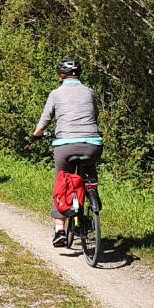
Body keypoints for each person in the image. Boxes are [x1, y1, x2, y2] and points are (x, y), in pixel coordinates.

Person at [32, 58, 103, 247]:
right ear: (79, 75)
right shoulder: (90, 92)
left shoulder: (56, 93)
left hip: (66, 145)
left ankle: (60, 230)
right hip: (93, 144)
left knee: (62, 182)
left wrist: (36, 134)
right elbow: (94, 115)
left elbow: (46, 118)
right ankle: (91, 189)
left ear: (60, 76)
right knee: (88, 168)